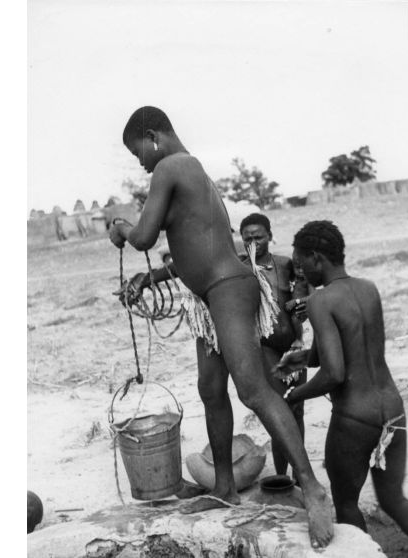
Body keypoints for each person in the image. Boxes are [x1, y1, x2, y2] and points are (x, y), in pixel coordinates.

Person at [109, 106, 333, 549]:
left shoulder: (172, 166)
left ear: (152, 136)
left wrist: (120, 226)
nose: (141, 163)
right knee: (211, 389)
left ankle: (312, 488)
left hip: (228, 289)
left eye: (139, 153)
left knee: (253, 390)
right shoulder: (193, 174)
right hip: (212, 296)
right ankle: (225, 488)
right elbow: (197, 244)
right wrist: (150, 278)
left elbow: (143, 238)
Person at [274, 220, 408, 548]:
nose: (300, 274)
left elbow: (335, 374)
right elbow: (353, 344)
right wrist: (301, 358)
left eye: (301, 265)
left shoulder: (320, 301)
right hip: (392, 410)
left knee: (346, 505)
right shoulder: (368, 288)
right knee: (394, 501)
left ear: (316, 258)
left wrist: (293, 394)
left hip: (355, 418)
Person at [238, 213, 308, 479]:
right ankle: (282, 477)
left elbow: (302, 293)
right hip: (265, 348)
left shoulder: (285, 264)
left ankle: (299, 476)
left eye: (259, 237)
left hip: (294, 344)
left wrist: (302, 308)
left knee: (298, 407)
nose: (254, 243)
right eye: (248, 239)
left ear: (269, 235)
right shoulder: (240, 270)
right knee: (282, 409)